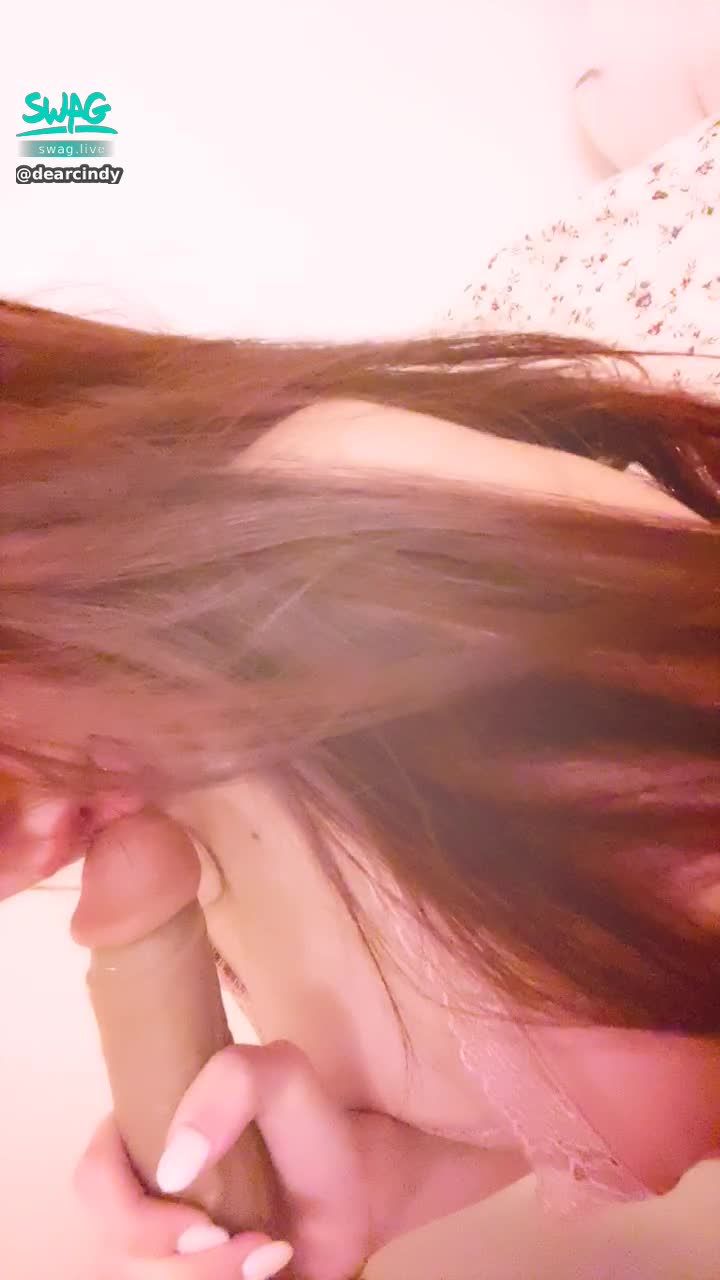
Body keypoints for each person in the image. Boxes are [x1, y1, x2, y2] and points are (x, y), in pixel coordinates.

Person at [1, 296, 719, 1280]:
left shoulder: (364, 556)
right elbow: (606, 1073)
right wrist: (383, 1180)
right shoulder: (177, 797)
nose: (26, 862)